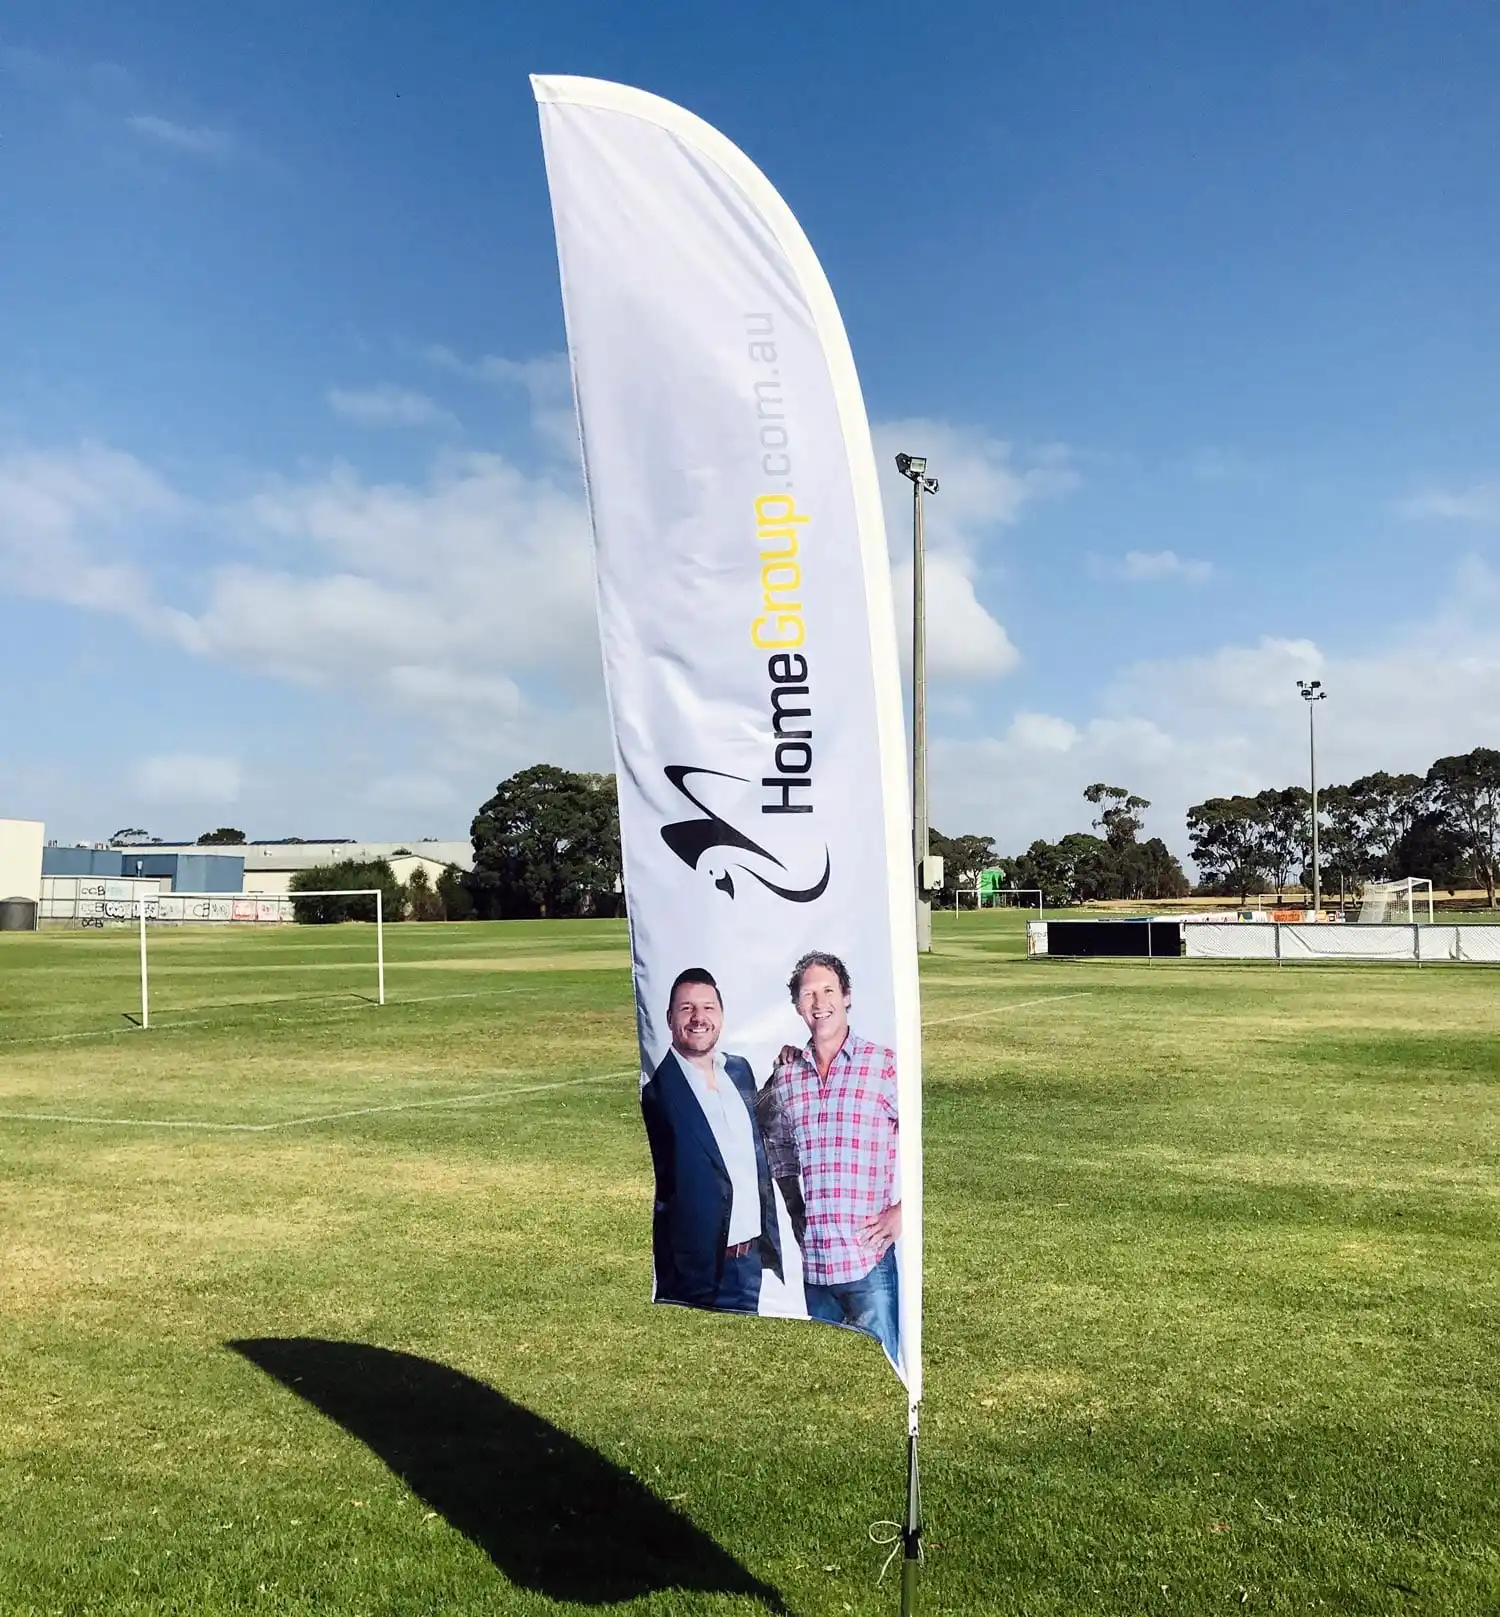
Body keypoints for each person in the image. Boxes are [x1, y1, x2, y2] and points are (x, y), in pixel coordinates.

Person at [769, 950, 900, 1361]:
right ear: (796, 1005)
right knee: (835, 1385)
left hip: (868, 1262)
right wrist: (794, 1208)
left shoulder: (884, 1066)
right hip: (815, 1266)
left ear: (847, 997)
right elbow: (775, 1146)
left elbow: (926, 1143)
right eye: (809, 994)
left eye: (828, 990)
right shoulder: (786, 1077)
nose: (819, 1002)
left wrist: (904, 1210)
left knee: (886, 1371)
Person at [641, 967, 795, 1313]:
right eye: (686, 1008)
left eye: (708, 1008)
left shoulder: (738, 1070)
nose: (699, 1018)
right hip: (697, 1273)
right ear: (669, 1018)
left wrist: (783, 1072)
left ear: (721, 1015)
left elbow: (756, 1132)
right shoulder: (657, 1092)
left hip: (749, 1264)